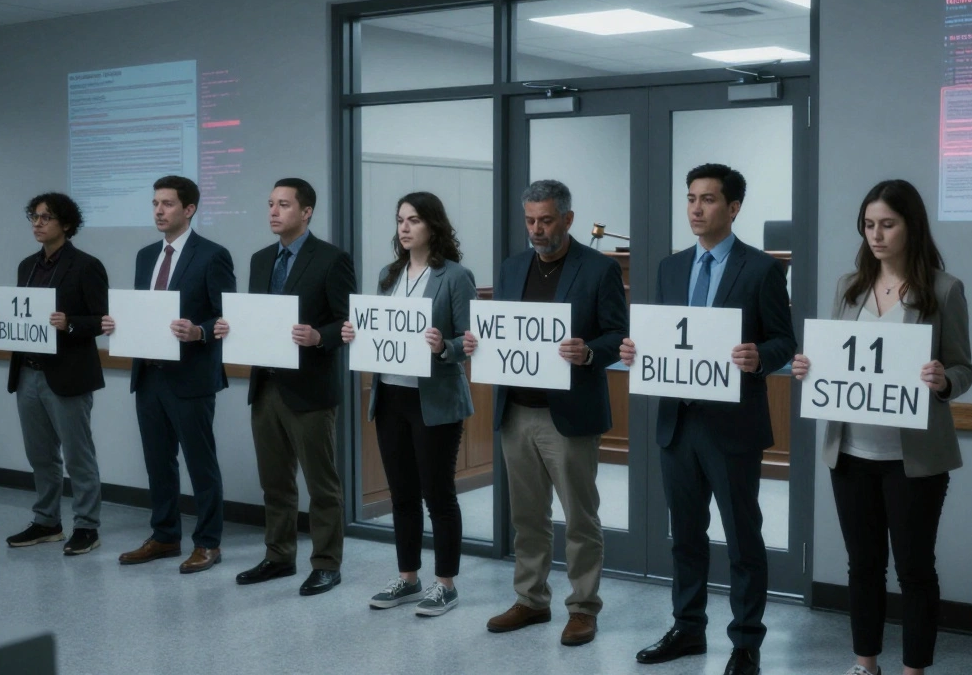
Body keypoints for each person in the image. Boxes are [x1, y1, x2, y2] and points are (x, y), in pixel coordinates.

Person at [791, 180, 972, 675]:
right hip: (849, 453)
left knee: (915, 570)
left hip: (913, 460)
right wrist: (809, 366)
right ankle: (864, 662)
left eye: (887, 224)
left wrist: (942, 381)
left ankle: (915, 668)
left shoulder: (943, 289)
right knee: (863, 567)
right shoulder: (849, 287)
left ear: (911, 226)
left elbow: (963, 369)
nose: (876, 234)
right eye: (869, 225)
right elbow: (833, 358)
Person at [621, 163, 796, 675]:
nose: (696, 209)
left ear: (733, 207)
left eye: (709, 199)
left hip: (732, 425)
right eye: (691, 198)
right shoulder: (671, 267)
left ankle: (745, 642)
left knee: (743, 538)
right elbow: (663, 335)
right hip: (677, 423)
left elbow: (784, 341)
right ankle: (688, 629)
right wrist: (636, 349)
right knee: (687, 535)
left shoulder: (762, 269)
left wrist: (758, 357)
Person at [464, 179, 627, 646]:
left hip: (570, 414)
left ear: (568, 220)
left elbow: (618, 335)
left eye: (547, 220)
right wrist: (480, 342)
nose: (537, 229)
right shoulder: (513, 267)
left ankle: (583, 608)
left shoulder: (598, 270)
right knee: (527, 516)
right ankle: (531, 600)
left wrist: (588, 351)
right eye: (531, 220)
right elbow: (502, 333)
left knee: (579, 517)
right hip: (516, 411)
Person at [216, 177, 356, 597]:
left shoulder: (332, 259)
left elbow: (347, 322)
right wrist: (230, 327)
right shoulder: (261, 259)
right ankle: (279, 556)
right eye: (270, 204)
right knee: (275, 481)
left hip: (310, 388)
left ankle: (327, 563)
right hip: (267, 386)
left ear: (306, 211)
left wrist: (319, 337)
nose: (274, 212)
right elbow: (258, 318)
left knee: (321, 484)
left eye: (284, 205)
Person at [341, 191, 476, 617]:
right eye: (400, 219)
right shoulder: (387, 275)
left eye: (413, 220)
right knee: (401, 493)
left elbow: (469, 344)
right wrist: (354, 335)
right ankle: (408, 578)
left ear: (433, 226)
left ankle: (445, 584)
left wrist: (443, 346)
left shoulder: (455, 276)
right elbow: (379, 331)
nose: (403, 227)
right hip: (391, 395)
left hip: (433, 399)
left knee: (438, 493)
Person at [104, 175, 235, 574]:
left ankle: (208, 543)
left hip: (191, 376)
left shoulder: (212, 255)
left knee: (200, 463)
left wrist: (198, 331)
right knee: (158, 461)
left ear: (189, 209)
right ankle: (164, 536)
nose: (159, 211)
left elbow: (225, 316)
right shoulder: (146, 256)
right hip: (149, 375)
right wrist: (118, 324)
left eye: (168, 204)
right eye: (155, 203)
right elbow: (142, 311)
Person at [0, 193, 108, 555]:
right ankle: (47, 520)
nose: (37, 224)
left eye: (46, 218)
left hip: (67, 375)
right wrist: (0, 320)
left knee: (77, 455)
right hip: (27, 373)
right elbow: (24, 314)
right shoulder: (27, 266)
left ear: (66, 225)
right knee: (40, 454)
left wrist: (69, 323)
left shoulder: (86, 266)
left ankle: (87, 526)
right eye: (34, 217)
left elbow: (101, 321)